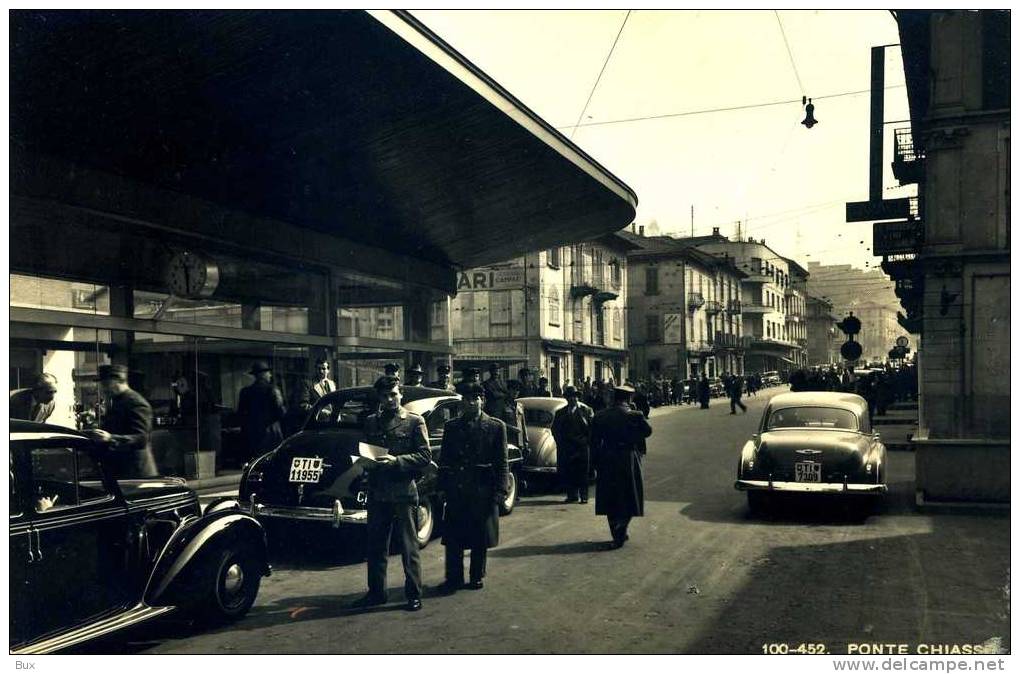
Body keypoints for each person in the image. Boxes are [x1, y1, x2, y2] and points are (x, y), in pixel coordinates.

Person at [354, 376, 431, 612]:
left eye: (393, 394)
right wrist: (364, 463)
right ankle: (376, 593)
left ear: (401, 394)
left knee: (409, 547)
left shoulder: (414, 422)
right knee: (376, 546)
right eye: (385, 395)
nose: (389, 399)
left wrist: (397, 461)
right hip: (378, 492)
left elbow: (424, 456)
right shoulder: (370, 422)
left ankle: (413, 594)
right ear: (379, 397)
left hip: (403, 492)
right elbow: (366, 450)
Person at [437, 382, 509, 593]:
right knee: (453, 538)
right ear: (462, 402)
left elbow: (502, 462)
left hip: (482, 488)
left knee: (479, 537)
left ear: (482, 401)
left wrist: (500, 491)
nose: (471, 402)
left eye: (476, 398)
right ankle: (453, 578)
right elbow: (445, 460)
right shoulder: (451, 427)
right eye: (467, 398)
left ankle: (476, 576)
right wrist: (442, 487)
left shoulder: (496, 427)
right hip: (457, 488)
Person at [590, 385, 652, 548]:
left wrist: (595, 463)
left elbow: (593, 441)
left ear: (614, 398)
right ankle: (621, 530)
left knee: (610, 497)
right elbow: (648, 431)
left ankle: (617, 533)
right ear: (629, 398)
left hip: (607, 457)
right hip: (628, 458)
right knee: (630, 495)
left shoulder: (601, 416)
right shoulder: (635, 415)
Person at [83, 365, 159, 479]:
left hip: (136, 474)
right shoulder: (118, 401)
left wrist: (110, 438)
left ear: (118, 380)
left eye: (106, 384)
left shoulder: (135, 403)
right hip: (123, 471)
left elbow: (141, 439)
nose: (103, 388)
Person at [551, 385, 593, 504]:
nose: (572, 400)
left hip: (582, 446)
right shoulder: (560, 413)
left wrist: (586, 441)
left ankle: (584, 496)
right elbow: (555, 429)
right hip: (567, 447)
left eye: (575, 397)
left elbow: (592, 429)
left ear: (578, 398)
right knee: (569, 471)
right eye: (570, 397)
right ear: (566, 398)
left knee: (583, 472)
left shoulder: (586, 411)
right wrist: (561, 443)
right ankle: (572, 495)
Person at [237, 361, 286, 461]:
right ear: (262, 374)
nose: (270, 375)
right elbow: (281, 412)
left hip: (252, 433)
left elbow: (241, 414)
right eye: (268, 372)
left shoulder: (245, 392)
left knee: (255, 462)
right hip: (271, 433)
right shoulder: (273, 390)